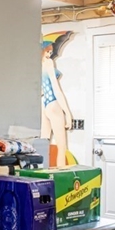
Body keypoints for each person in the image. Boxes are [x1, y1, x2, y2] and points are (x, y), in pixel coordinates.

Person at [41, 34, 74, 167]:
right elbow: (56, 90)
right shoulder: (48, 63)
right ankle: (61, 175)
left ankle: (42, 173)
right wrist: (68, 114)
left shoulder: (35, 66)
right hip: (53, 103)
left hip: (42, 105)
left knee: (42, 145)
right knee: (62, 146)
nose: (49, 54)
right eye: (48, 51)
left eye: (50, 52)